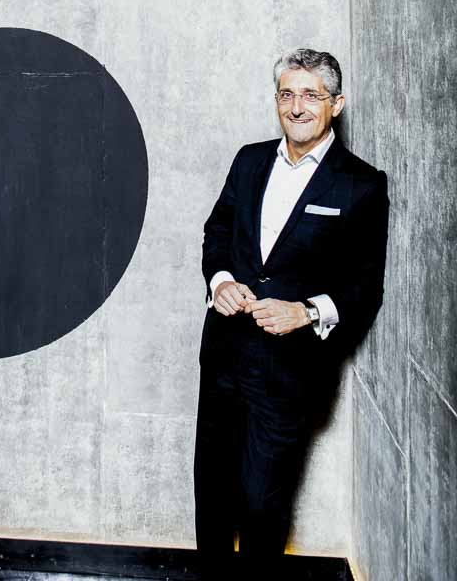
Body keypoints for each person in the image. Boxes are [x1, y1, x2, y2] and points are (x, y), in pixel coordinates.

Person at [194, 48, 388, 576]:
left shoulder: (361, 183)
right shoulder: (249, 160)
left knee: (263, 505)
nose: (297, 107)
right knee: (212, 496)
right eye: (287, 94)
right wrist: (221, 281)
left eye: (310, 95)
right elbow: (217, 230)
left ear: (336, 104)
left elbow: (364, 286)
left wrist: (305, 311)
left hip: (288, 374)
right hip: (224, 357)